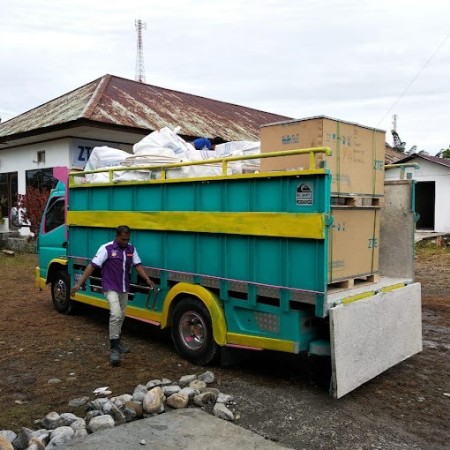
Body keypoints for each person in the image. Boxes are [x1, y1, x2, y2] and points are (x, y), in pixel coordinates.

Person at [70, 225, 155, 366]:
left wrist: (147, 279)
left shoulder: (131, 249)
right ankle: (114, 349)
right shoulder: (106, 248)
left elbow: (138, 265)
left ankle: (118, 341)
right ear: (116, 237)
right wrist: (79, 284)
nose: (125, 242)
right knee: (115, 314)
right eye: (123, 239)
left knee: (121, 315)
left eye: (127, 239)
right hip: (110, 287)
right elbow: (92, 266)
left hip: (124, 288)